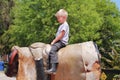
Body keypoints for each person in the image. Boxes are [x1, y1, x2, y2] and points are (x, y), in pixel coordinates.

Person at [46, 9, 69, 74]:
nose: (58, 19)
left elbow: (61, 35)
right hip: (59, 41)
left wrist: (54, 41)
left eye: (59, 18)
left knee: (53, 50)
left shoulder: (65, 25)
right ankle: (49, 66)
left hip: (62, 42)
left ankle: (54, 68)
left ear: (64, 17)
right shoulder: (62, 25)